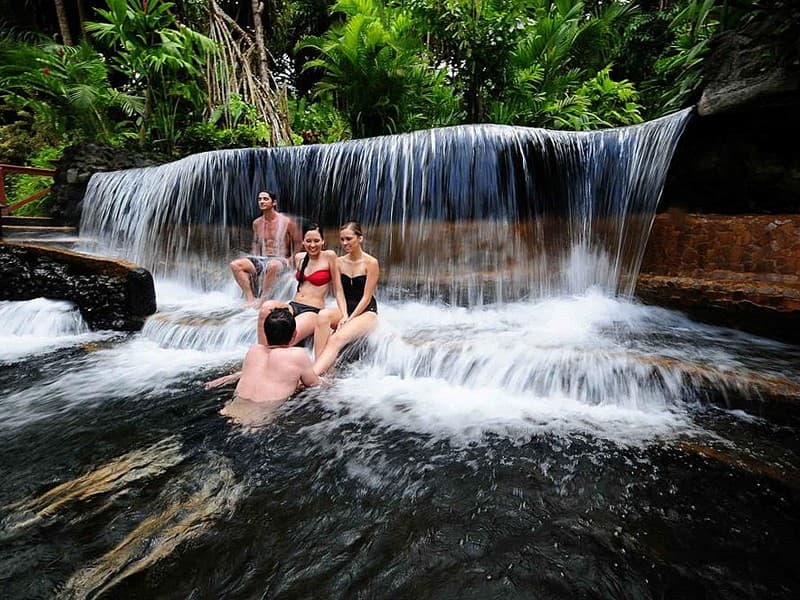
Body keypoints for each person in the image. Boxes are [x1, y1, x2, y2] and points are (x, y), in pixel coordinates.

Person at [257, 222, 342, 353]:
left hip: (313, 311)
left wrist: (345, 313)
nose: (312, 245)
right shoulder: (300, 258)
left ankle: (271, 357)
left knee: (285, 338)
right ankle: (261, 353)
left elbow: (338, 288)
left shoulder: (329, 256)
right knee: (266, 308)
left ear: (323, 241)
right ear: (303, 241)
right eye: (308, 241)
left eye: (316, 241)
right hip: (293, 305)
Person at [212, 307, 319, 408]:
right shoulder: (297, 355)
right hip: (262, 416)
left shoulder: (254, 351)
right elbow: (313, 384)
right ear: (294, 335)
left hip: (231, 408)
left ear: (266, 333)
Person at [312, 221, 379, 375]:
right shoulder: (339, 262)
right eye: (342, 239)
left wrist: (350, 318)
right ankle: (323, 368)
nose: (344, 243)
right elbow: (339, 292)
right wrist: (344, 314)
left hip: (366, 311)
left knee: (336, 338)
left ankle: (313, 375)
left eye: (349, 239)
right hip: (346, 308)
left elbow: (367, 297)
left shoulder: (371, 263)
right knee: (322, 316)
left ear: (360, 238)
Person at [229, 191, 302, 305]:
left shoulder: (287, 221)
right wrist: (253, 257)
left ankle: (263, 299)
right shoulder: (257, 223)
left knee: (272, 265)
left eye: (265, 199)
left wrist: (292, 259)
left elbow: (298, 242)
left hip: (280, 260)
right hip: (262, 258)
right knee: (235, 265)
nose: (262, 201)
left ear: (274, 203)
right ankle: (250, 298)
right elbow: (256, 243)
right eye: (259, 199)